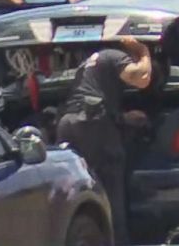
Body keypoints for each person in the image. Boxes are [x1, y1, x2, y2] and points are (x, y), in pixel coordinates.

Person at [56, 36, 155, 245]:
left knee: (82, 190)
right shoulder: (114, 55)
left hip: (68, 124)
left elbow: (94, 99)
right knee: (112, 191)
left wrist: (124, 119)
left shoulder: (88, 64)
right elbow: (141, 78)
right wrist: (144, 52)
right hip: (92, 125)